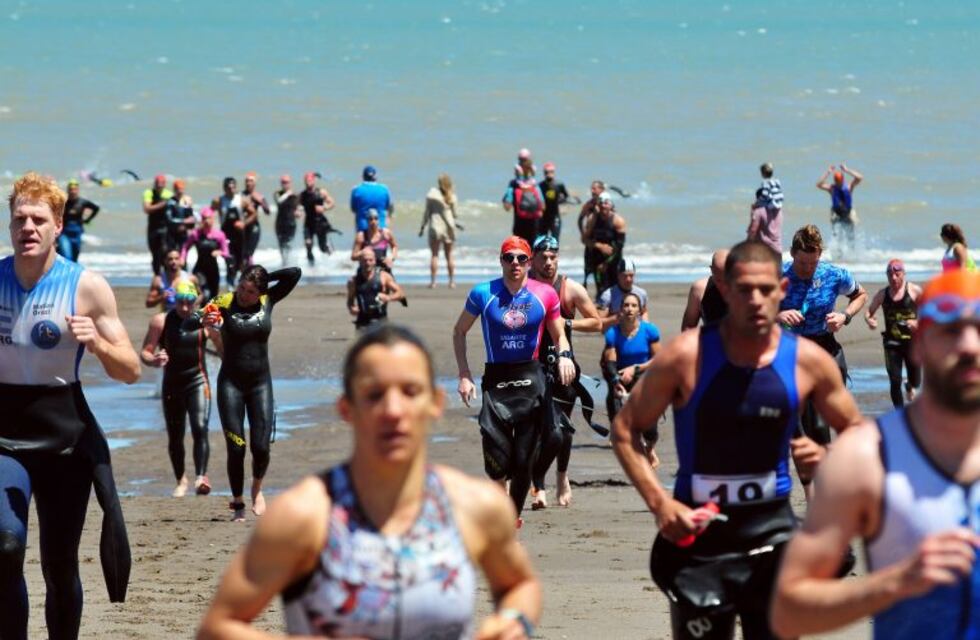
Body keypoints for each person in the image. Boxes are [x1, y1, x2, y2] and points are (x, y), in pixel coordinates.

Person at [197, 325, 542, 640]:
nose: (393, 410)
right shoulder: (305, 515)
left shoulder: (474, 506)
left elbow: (520, 584)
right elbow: (217, 627)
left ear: (435, 404)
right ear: (347, 408)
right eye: (374, 394)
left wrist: (514, 620)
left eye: (410, 391)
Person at [612, 240, 861, 640]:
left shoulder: (806, 360)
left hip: (772, 532)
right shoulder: (684, 357)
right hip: (699, 533)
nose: (756, 300)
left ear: (781, 289)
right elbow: (625, 429)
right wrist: (660, 504)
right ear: (725, 290)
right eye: (744, 289)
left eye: (766, 289)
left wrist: (831, 455)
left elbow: (860, 434)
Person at [771, 268, 980, 640]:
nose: (968, 346)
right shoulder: (866, 457)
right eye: (950, 331)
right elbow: (789, 610)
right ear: (919, 345)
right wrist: (894, 583)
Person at [1, 172, 141, 640]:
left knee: (60, 566)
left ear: (58, 224)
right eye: (19, 218)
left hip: (64, 438)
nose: (28, 227)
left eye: (39, 218)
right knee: (5, 546)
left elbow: (131, 370)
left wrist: (98, 343)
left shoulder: (86, 287)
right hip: (4, 438)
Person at [453, 236, 575, 519]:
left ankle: (509, 519)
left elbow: (559, 336)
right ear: (501, 261)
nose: (515, 264)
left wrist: (565, 358)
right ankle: (501, 505)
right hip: (496, 380)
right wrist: (464, 374)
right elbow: (459, 331)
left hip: (530, 377)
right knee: (496, 459)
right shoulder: (483, 293)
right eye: (509, 258)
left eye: (521, 258)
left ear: (529, 262)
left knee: (522, 461)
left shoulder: (544, 294)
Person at [198, 264, 300, 522]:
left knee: (261, 447)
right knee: (237, 446)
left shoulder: (268, 299)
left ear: (260, 292)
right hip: (230, 385)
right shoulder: (224, 301)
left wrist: (266, 280)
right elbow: (192, 320)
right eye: (242, 287)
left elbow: (294, 273)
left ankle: (256, 487)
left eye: (251, 291)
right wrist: (203, 319)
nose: (244, 294)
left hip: (260, 385)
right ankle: (238, 501)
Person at [778, 225, 867, 466]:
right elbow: (751, 309)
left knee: (829, 416)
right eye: (803, 263)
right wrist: (779, 315)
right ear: (792, 253)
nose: (808, 269)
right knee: (805, 423)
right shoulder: (778, 276)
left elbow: (860, 294)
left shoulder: (833, 274)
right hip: (790, 350)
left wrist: (844, 316)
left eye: (813, 263)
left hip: (824, 347)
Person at [528, 234, 602, 509]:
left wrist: (568, 325)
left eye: (553, 257)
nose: (549, 262)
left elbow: (596, 323)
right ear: (533, 258)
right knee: (535, 430)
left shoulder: (570, 289)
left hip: (563, 364)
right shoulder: (525, 287)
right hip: (531, 365)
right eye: (543, 257)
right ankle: (539, 486)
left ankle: (562, 477)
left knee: (564, 430)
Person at [140, 281, 216, 497]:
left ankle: (201, 477)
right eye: (180, 302)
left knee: (200, 427)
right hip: (172, 384)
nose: (184, 307)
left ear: (196, 301)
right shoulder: (160, 321)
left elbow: (224, 349)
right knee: (176, 435)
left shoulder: (205, 322)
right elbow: (145, 352)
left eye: (189, 302)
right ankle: (181, 480)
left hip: (198, 381)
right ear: (173, 301)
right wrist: (154, 360)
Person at [603, 292, 662, 468]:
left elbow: (659, 359)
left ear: (640, 310)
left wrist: (636, 368)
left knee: (650, 429)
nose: (629, 309)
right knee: (617, 417)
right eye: (626, 305)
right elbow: (610, 361)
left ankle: (650, 447)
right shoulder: (612, 333)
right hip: (621, 378)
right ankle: (635, 457)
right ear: (621, 309)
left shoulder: (650, 331)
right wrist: (615, 380)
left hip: (645, 377)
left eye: (634, 306)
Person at [865, 259, 922, 407]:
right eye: (890, 274)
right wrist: (870, 320)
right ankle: (900, 415)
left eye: (897, 274)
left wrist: (917, 323)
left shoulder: (914, 291)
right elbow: (869, 312)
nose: (894, 278)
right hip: (892, 344)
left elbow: (930, 311)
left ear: (904, 274)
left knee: (916, 380)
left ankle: (910, 385)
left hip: (913, 343)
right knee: (895, 380)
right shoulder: (883, 294)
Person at [181, 207, 230, 303]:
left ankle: (205, 316)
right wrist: (182, 258)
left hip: (213, 271)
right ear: (201, 220)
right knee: (204, 294)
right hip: (200, 270)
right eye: (204, 218)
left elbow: (226, 253)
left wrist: (220, 252)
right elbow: (185, 247)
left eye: (209, 218)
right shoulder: (195, 234)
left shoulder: (219, 235)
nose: (206, 221)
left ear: (212, 219)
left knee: (213, 299)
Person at [346, 249, 404, 330]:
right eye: (365, 260)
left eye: (370, 260)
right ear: (360, 262)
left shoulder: (384, 277)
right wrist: (351, 308)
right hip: (362, 323)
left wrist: (388, 298)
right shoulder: (353, 281)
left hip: (381, 322)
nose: (367, 263)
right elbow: (350, 299)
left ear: (375, 261)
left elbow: (400, 293)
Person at [419, 173, 458, 288]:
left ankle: (433, 282)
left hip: (435, 226)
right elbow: (455, 214)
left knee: (434, 255)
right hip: (448, 227)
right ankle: (451, 281)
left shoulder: (432, 196)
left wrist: (422, 226)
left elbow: (427, 213)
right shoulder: (452, 196)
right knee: (449, 255)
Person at [583, 192, 626, 294]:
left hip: (613, 258)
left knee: (615, 289)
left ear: (611, 205)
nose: (603, 206)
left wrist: (606, 263)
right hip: (597, 259)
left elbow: (620, 245)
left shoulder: (618, 221)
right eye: (601, 203)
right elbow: (584, 240)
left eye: (606, 203)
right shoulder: (592, 219)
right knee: (601, 291)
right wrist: (599, 246)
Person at [215, 176, 256, 287]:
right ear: (224, 188)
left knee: (241, 262)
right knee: (229, 261)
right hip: (225, 235)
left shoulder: (242, 200)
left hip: (239, 236)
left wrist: (244, 223)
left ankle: (241, 284)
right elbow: (209, 212)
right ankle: (230, 284)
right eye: (229, 187)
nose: (231, 189)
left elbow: (253, 214)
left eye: (233, 187)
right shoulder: (219, 200)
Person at [816, 163, 863, 249]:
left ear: (843, 180)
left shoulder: (849, 187)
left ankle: (852, 251)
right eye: (836, 181)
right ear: (834, 181)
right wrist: (828, 172)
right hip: (836, 213)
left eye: (839, 181)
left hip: (848, 212)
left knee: (851, 233)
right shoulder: (832, 188)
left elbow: (859, 178)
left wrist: (847, 170)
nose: (838, 183)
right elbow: (819, 185)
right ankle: (838, 252)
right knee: (837, 235)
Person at [680, 249, 730, 331]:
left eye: (728, 280)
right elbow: (688, 328)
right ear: (712, 270)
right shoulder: (700, 290)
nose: (724, 286)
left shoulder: (747, 290)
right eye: (719, 280)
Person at [502, 153, 545, 245]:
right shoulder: (534, 184)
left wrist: (506, 200)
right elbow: (543, 206)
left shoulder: (514, 184)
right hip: (534, 224)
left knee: (519, 249)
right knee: (533, 249)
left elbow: (507, 207)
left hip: (519, 224)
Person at [56, 178, 100, 262]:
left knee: (75, 258)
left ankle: (72, 274)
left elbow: (96, 208)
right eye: (70, 190)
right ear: (68, 190)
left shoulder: (82, 202)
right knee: (67, 255)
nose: (72, 192)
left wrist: (88, 220)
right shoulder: (63, 202)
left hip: (77, 233)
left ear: (78, 190)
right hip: (64, 233)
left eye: (74, 189)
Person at [597, 257, 649, 325]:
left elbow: (644, 312)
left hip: (636, 332)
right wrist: (614, 318)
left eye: (631, 275)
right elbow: (598, 321)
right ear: (618, 275)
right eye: (624, 276)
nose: (628, 279)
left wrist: (646, 325)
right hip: (616, 332)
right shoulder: (608, 295)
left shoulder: (641, 293)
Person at [300, 171, 336, 265]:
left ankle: (333, 260)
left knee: (322, 248)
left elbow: (332, 203)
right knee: (308, 243)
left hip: (320, 222)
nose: (308, 182)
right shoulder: (302, 195)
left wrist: (324, 208)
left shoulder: (321, 192)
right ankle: (311, 265)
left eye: (310, 180)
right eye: (306, 180)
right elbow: (297, 207)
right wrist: (297, 212)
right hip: (308, 223)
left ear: (314, 181)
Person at [143, 173, 173, 275]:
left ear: (165, 184)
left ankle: (167, 277)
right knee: (155, 255)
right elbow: (147, 209)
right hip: (153, 228)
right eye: (157, 183)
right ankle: (157, 277)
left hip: (165, 228)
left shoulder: (169, 194)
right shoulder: (149, 193)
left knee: (165, 253)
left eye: (161, 183)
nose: (159, 185)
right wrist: (163, 204)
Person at [577, 180, 605, 286]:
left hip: (603, 239)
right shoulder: (589, 204)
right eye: (591, 188)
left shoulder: (606, 205)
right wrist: (583, 233)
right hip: (591, 240)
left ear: (602, 190)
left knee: (601, 270)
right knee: (587, 270)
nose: (592, 191)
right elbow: (580, 219)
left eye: (595, 188)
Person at [350, 165, 393, 232]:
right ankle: (387, 230)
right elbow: (388, 207)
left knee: (358, 214)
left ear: (363, 177)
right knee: (387, 213)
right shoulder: (384, 189)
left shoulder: (356, 190)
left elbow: (353, 209)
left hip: (363, 228)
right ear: (375, 177)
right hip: (381, 228)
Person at [241, 172, 270, 269]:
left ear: (255, 183)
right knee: (242, 254)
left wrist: (260, 201)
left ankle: (250, 274)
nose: (248, 183)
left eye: (251, 181)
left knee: (249, 254)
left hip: (254, 228)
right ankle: (244, 273)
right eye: (247, 181)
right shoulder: (240, 195)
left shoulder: (259, 196)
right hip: (243, 227)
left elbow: (267, 211)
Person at [538, 161, 570, 241]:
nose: (549, 174)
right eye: (546, 172)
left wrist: (564, 207)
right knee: (541, 241)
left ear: (554, 172)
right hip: (543, 217)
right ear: (544, 173)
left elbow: (566, 197)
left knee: (555, 241)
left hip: (555, 216)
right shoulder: (540, 185)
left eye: (551, 172)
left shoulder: (559, 184)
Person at [273, 174, 300, 265]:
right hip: (280, 224)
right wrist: (288, 193)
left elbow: (299, 208)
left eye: (287, 182)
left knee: (289, 245)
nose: (285, 184)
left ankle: (289, 264)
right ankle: (284, 263)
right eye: (283, 182)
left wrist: (298, 213)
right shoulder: (277, 194)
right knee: (281, 246)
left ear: (290, 183)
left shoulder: (295, 195)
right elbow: (279, 202)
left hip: (291, 223)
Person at [746, 187, 782, 253]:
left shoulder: (758, 211)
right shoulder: (778, 211)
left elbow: (753, 231)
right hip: (777, 249)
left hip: (764, 250)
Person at [164, 179, 195, 253]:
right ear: (174, 190)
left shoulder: (187, 200)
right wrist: (183, 221)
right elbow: (169, 219)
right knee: (172, 253)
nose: (180, 191)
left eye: (181, 189)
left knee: (183, 255)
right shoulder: (170, 202)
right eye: (178, 189)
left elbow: (191, 218)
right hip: (172, 233)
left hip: (184, 232)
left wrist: (187, 226)